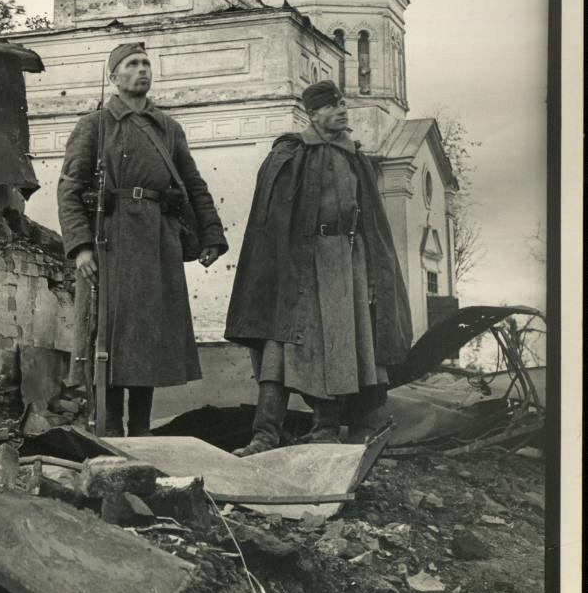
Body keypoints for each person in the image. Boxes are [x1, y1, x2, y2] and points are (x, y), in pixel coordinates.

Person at [224, 80, 412, 454]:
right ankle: (264, 435)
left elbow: (372, 222)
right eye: (332, 106)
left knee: (338, 346)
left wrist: (373, 272)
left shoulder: (355, 157)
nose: (342, 110)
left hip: (345, 262)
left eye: (343, 104)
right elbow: (270, 218)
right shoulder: (291, 154)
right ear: (312, 114)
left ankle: (325, 431)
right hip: (298, 265)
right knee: (280, 349)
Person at [57, 42, 227, 436]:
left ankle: (142, 426)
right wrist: (81, 246)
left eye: (146, 63)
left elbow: (194, 184)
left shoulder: (168, 128)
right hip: (109, 241)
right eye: (132, 64)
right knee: (108, 334)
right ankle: (111, 425)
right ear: (114, 77)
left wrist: (211, 236)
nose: (142, 70)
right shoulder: (94, 125)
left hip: (157, 241)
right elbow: (69, 188)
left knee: (148, 335)